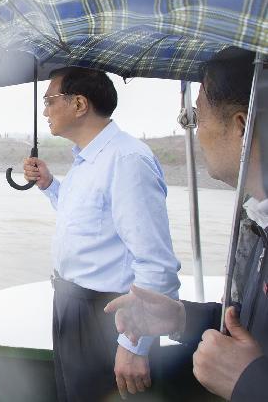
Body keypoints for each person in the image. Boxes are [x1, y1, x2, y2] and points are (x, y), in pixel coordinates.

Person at [104, 50, 267, 401]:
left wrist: (252, 381)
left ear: (242, 125)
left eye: (198, 116)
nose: (195, 132)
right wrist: (181, 319)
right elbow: (252, 328)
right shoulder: (256, 221)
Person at [23, 67, 181, 401]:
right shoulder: (86, 158)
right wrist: (50, 185)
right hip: (69, 305)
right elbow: (84, 221)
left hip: (106, 317)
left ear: (79, 104)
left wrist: (133, 345)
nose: (45, 111)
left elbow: (156, 263)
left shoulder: (127, 160)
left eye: (49, 100)